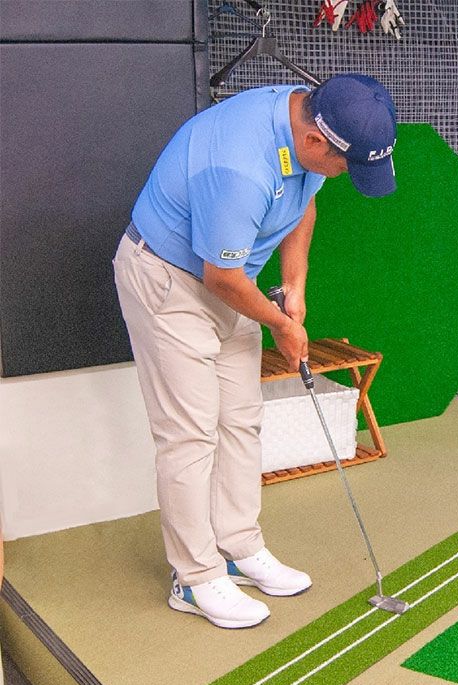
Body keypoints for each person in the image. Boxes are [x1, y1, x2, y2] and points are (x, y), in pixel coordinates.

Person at [113, 74, 397, 629]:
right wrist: (282, 327)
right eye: (346, 165)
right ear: (315, 141)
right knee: (190, 434)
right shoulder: (239, 167)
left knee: (241, 420)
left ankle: (239, 545)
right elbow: (219, 277)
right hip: (169, 280)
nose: (344, 175)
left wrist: (295, 285)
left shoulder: (311, 121)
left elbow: (303, 205)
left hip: (230, 278)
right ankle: (195, 578)